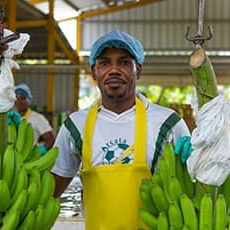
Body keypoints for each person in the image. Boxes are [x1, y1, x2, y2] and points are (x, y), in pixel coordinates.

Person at [50, 29, 191, 229]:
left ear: (138, 70)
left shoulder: (168, 122)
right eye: (104, 63)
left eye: (124, 62)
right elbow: (51, 190)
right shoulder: (76, 125)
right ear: (94, 72)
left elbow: (195, 186)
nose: (114, 69)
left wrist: (200, 157)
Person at [13, 83, 55, 155]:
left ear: (29, 100)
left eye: (23, 98)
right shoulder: (9, 117)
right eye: (16, 98)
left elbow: (50, 139)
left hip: (29, 157)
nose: (19, 101)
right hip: (10, 157)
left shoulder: (38, 118)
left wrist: (40, 151)